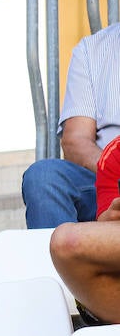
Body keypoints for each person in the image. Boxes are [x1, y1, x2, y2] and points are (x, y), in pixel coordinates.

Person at [21, 21, 120, 228]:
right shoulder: (91, 51)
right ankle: (60, 261)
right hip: (107, 183)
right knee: (44, 178)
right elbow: (76, 141)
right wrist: (114, 173)